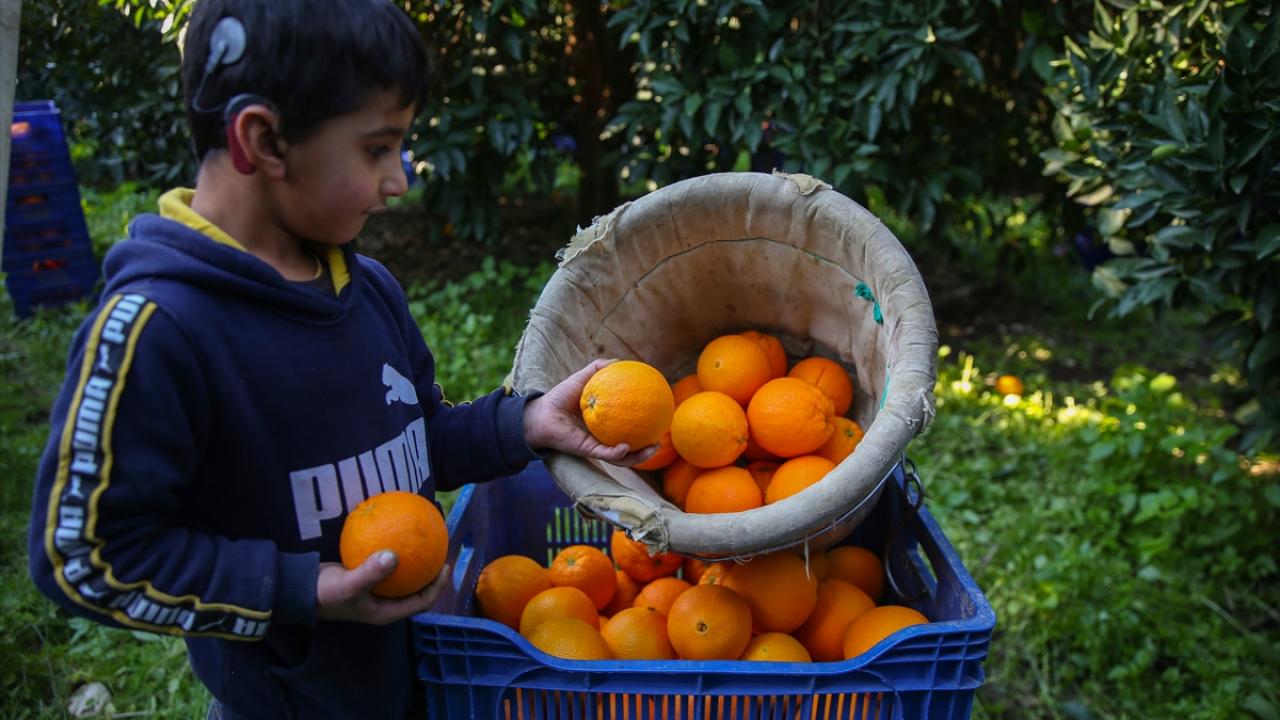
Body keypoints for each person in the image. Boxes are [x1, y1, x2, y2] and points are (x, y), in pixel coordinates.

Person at [26, 1, 650, 718]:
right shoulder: (159, 331)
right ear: (262, 141)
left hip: (417, 677)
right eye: (377, 149)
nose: (399, 181)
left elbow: (419, 444)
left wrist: (525, 423)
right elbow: (82, 555)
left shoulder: (366, 288)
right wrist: (302, 590)